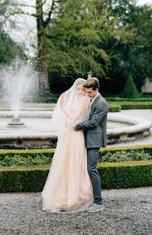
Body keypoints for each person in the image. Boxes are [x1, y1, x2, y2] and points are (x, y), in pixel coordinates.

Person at [42, 78, 93, 213]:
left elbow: (75, 117)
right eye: (77, 89)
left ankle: (76, 195)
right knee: (65, 162)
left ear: (85, 90)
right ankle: (65, 191)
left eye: (82, 89)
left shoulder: (84, 100)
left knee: (74, 162)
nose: (79, 91)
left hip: (76, 135)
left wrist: (63, 107)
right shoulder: (76, 99)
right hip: (68, 134)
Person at [74, 77, 108, 212]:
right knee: (87, 169)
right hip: (87, 138)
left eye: (90, 93)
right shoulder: (92, 99)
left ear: (96, 90)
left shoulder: (102, 103)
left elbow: (93, 122)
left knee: (92, 169)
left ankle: (99, 202)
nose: (87, 95)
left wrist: (76, 125)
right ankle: (88, 197)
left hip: (94, 140)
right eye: (86, 92)